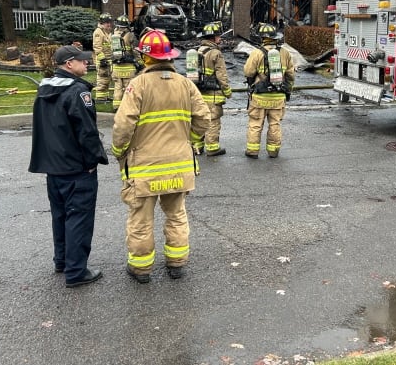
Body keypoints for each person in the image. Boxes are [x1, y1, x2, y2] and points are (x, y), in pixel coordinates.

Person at [111, 30, 210, 283]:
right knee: (176, 215)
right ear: (168, 57)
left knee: (141, 220)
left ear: (145, 57)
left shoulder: (138, 85)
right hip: (179, 165)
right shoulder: (186, 84)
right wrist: (190, 141)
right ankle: (176, 264)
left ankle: (141, 269)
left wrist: (119, 151)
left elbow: (123, 125)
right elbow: (203, 119)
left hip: (145, 167)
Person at [28, 44, 109, 288]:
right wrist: (94, 160)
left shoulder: (44, 89)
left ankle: (62, 260)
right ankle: (76, 271)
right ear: (69, 64)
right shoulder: (77, 93)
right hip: (76, 168)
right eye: (82, 61)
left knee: (61, 215)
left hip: (53, 167)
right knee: (79, 218)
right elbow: (87, 132)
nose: (87, 64)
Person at [243, 22, 295, 159]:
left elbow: (248, 72)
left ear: (262, 38)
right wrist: (288, 90)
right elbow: (291, 75)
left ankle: (253, 151)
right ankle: (273, 151)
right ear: (275, 37)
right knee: (275, 124)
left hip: (259, 97)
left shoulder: (256, 53)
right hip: (278, 97)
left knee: (255, 124)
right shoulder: (285, 53)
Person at [192, 22, 233, 157]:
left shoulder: (197, 51)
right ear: (213, 38)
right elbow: (222, 75)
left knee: (199, 119)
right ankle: (212, 147)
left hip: (198, 92)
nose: (220, 38)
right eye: (218, 36)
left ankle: (197, 146)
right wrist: (227, 92)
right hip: (213, 93)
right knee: (213, 120)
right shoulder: (216, 53)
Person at [110, 15, 142, 112]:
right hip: (128, 67)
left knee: (117, 87)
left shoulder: (112, 35)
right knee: (128, 88)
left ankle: (116, 107)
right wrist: (140, 63)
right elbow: (135, 51)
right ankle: (127, 107)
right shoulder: (130, 35)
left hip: (116, 67)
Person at [92, 13, 113, 101]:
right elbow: (97, 47)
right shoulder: (98, 32)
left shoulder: (106, 31)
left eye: (109, 22)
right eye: (106, 22)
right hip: (102, 60)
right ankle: (100, 97)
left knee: (106, 78)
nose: (108, 24)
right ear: (101, 23)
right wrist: (102, 59)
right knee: (102, 78)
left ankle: (105, 96)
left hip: (108, 59)